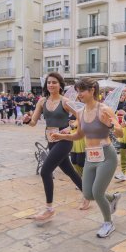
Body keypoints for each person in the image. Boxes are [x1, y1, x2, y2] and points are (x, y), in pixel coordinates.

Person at [51, 77, 123, 238]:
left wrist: (112, 125)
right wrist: (62, 136)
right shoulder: (81, 112)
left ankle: (108, 223)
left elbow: (120, 132)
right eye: (77, 91)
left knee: (97, 192)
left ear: (92, 91)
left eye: (82, 91)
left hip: (106, 155)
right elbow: (78, 135)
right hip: (90, 156)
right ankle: (113, 198)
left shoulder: (104, 109)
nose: (79, 94)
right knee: (88, 194)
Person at [22, 72, 89, 221]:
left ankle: (49, 209)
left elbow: (81, 117)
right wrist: (27, 120)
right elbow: (33, 123)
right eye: (49, 82)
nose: (51, 85)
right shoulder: (41, 101)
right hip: (51, 141)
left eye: (54, 82)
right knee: (70, 171)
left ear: (60, 85)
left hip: (64, 141)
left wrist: (72, 126)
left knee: (45, 171)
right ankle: (88, 195)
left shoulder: (65, 101)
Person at [114, 86, 126, 181]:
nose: (123, 93)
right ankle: (123, 172)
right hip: (123, 127)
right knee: (123, 149)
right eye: (122, 91)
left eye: (125, 91)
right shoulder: (122, 103)